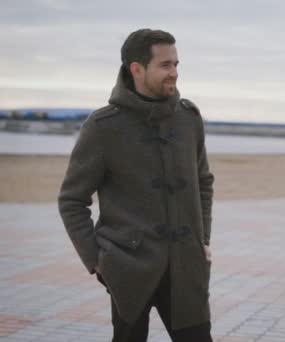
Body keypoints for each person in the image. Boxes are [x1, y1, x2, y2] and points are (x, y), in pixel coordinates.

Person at [58, 29, 214, 342]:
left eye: (176, 63)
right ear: (137, 69)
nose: (175, 72)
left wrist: (202, 240)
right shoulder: (104, 127)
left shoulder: (188, 118)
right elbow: (72, 200)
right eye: (165, 65)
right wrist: (97, 260)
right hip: (127, 267)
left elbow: (203, 183)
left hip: (186, 265)